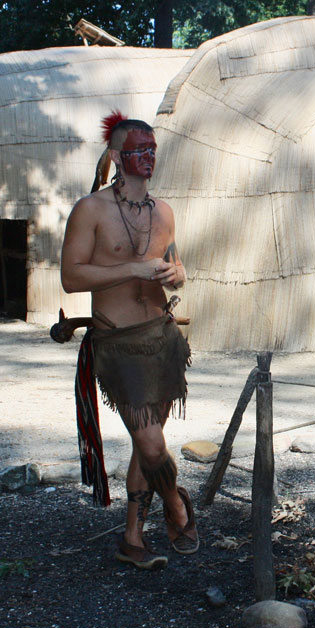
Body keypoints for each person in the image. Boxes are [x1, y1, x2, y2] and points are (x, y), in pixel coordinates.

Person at [60, 111, 197, 569]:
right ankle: (178, 510)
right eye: (138, 150)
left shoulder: (164, 212)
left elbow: (175, 267)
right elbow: (71, 276)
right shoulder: (91, 210)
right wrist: (132, 269)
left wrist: (176, 274)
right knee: (154, 446)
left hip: (163, 339)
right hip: (119, 345)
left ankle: (132, 539)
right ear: (118, 156)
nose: (148, 156)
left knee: (147, 443)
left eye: (152, 148)